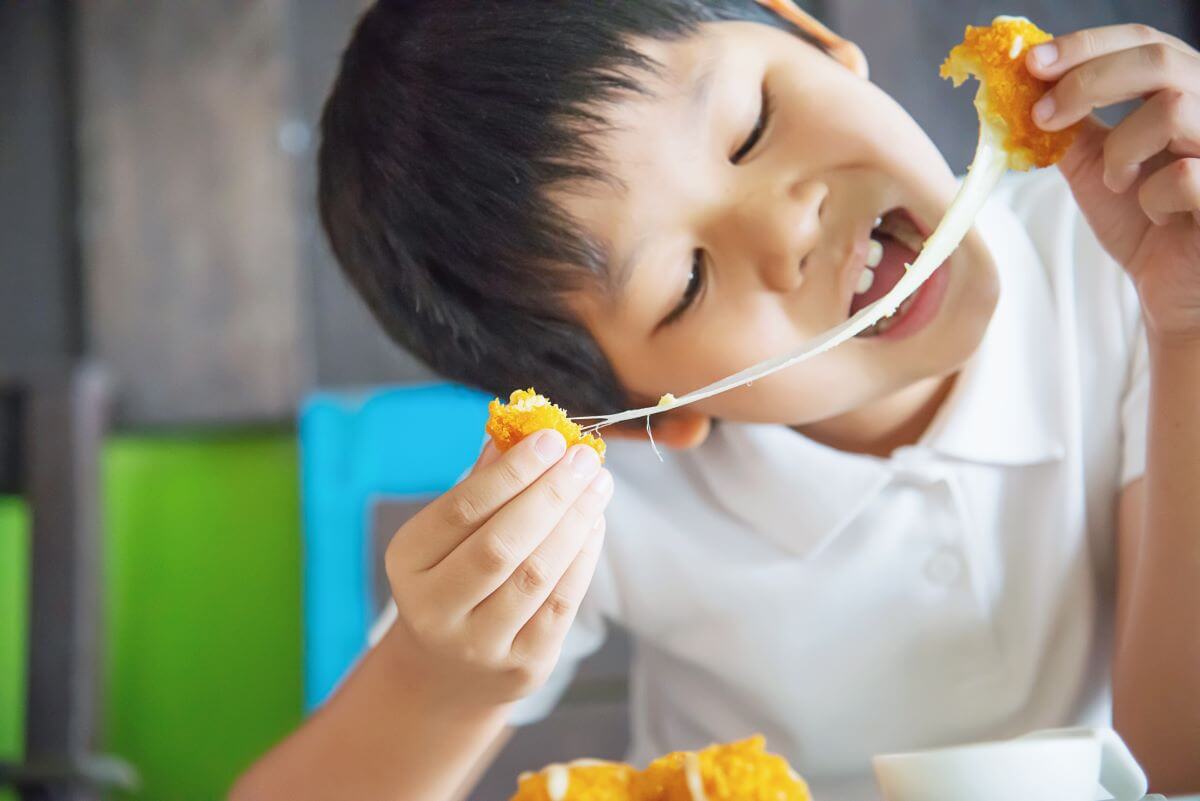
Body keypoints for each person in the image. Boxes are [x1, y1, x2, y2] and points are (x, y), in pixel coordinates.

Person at [231, 1, 1200, 798]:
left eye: (753, 125)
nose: (787, 226)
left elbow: (1174, 766)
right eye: (686, 283)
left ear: (812, 37)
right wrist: (442, 682)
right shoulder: (601, 497)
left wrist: (1188, 332)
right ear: (653, 416)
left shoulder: (1125, 251)